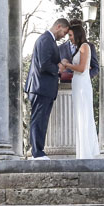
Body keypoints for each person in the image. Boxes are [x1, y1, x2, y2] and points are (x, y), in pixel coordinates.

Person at [24, 17, 70, 159]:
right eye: (64, 32)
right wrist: (59, 68)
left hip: (44, 87)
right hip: (40, 87)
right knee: (38, 120)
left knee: (42, 121)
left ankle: (39, 151)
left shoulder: (49, 41)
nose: (64, 35)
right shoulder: (45, 40)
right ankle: (37, 153)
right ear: (58, 27)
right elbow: (43, 64)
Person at [59, 19, 99, 159]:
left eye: (70, 35)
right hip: (79, 83)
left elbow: (82, 68)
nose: (68, 37)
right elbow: (84, 66)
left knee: (83, 116)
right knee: (80, 116)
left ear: (76, 34)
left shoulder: (84, 47)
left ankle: (86, 153)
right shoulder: (80, 48)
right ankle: (83, 152)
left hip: (81, 84)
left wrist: (67, 65)